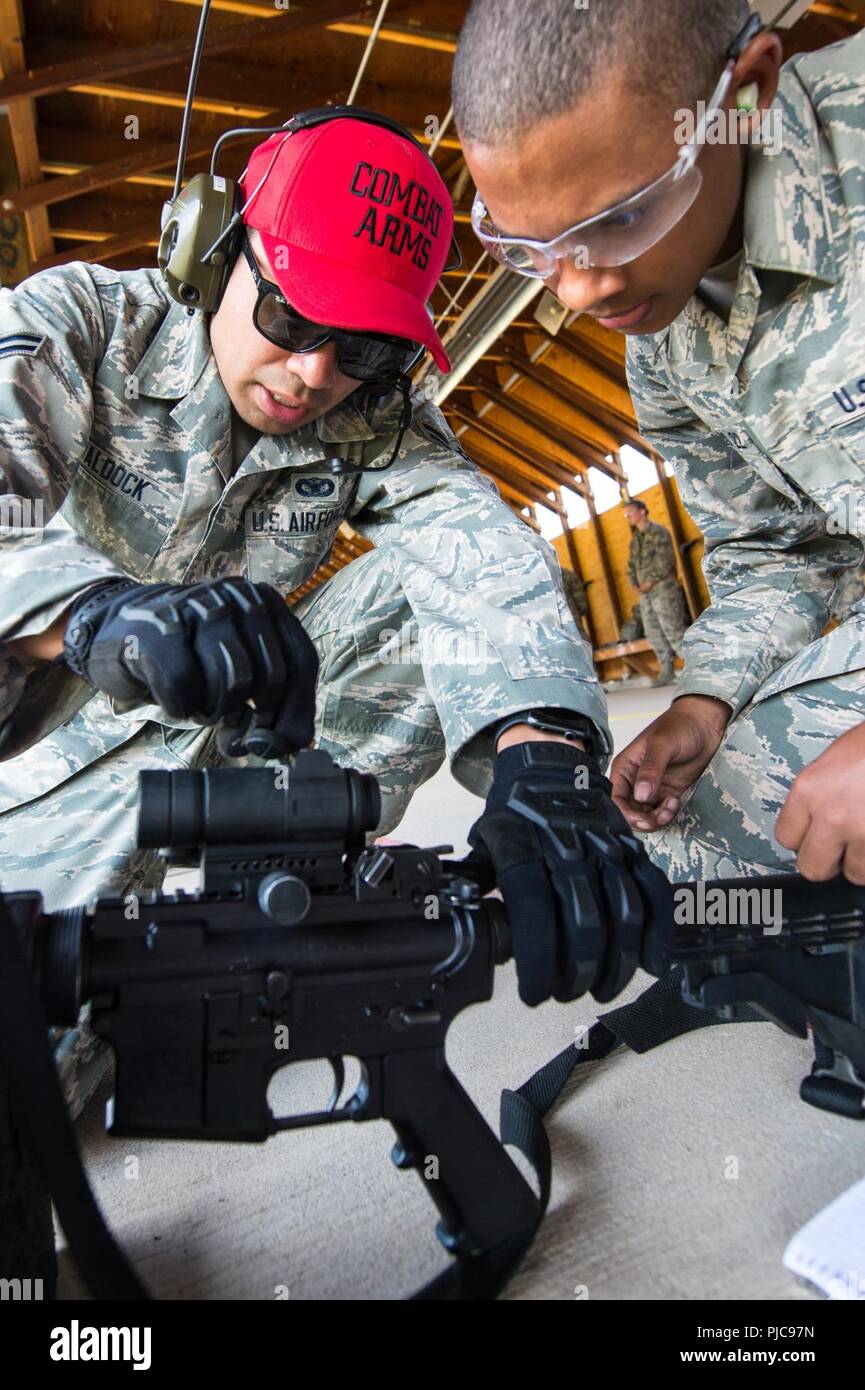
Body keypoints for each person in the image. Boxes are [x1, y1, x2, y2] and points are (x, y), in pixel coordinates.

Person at [0, 105, 658, 1061]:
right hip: (38, 765)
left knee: (419, 596)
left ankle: (271, 915)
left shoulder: (373, 414)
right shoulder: (81, 326)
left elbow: (478, 550)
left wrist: (544, 755)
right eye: (291, 313)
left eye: (363, 348)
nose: (313, 373)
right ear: (213, 249)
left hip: (220, 761)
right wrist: (93, 616)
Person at [454, 0, 865, 887]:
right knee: (695, 836)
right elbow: (778, 550)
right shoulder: (669, 344)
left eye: (618, 218)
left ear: (745, 92)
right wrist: (702, 702)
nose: (578, 289)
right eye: (532, 249)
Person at [623, 499, 689, 686]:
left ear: (642, 511)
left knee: (673, 627)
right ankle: (667, 670)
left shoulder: (658, 532)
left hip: (663, 588)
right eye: (626, 515)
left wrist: (650, 580)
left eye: (631, 513)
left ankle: (694, 668)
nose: (628, 517)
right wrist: (634, 584)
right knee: (653, 631)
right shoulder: (635, 539)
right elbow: (631, 566)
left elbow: (665, 560)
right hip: (645, 594)